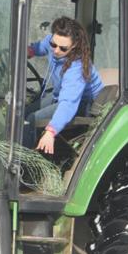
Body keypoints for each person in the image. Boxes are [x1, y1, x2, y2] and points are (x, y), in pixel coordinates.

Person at [26, 17, 104, 154]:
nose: (56, 50)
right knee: (23, 112)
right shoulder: (53, 42)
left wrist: (51, 131)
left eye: (62, 48)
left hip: (82, 103)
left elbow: (68, 103)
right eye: (53, 44)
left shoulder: (77, 68)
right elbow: (42, 47)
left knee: (32, 119)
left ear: (74, 46)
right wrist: (29, 51)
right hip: (59, 93)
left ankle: (25, 160)